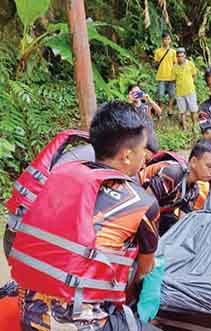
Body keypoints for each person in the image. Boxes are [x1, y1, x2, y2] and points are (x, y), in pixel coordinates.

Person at [9, 101, 162, 330]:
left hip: (29, 314)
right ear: (128, 155)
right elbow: (144, 271)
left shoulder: (58, 175)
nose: (144, 159)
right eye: (142, 152)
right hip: (83, 324)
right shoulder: (142, 203)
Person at [139, 139, 211, 235]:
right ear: (193, 162)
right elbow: (144, 205)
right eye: (209, 166)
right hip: (136, 205)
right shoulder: (173, 174)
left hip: (159, 213)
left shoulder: (194, 191)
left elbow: (182, 222)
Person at [172, 47, 198, 130]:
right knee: (182, 112)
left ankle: (195, 126)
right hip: (179, 93)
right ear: (176, 57)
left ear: (185, 56)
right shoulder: (174, 67)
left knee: (193, 110)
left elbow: (194, 75)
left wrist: (190, 83)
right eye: (178, 56)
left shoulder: (190, 64)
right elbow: (173, 79)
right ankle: (185, 128)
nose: (180, 58)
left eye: (182, 56)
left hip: (190, 91)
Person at [154, 32, 176, 116]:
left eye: (168, 39)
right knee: (160, 94)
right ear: (162, 40)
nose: (167, 41)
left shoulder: (173, 52)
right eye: (165, 39)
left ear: (170, 40)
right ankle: (160, 108)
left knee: (172, 94)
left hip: (171, 77)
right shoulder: (157, 51)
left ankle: (170, 109)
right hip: (161, 76)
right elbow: (156, 63)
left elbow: (175, 64)